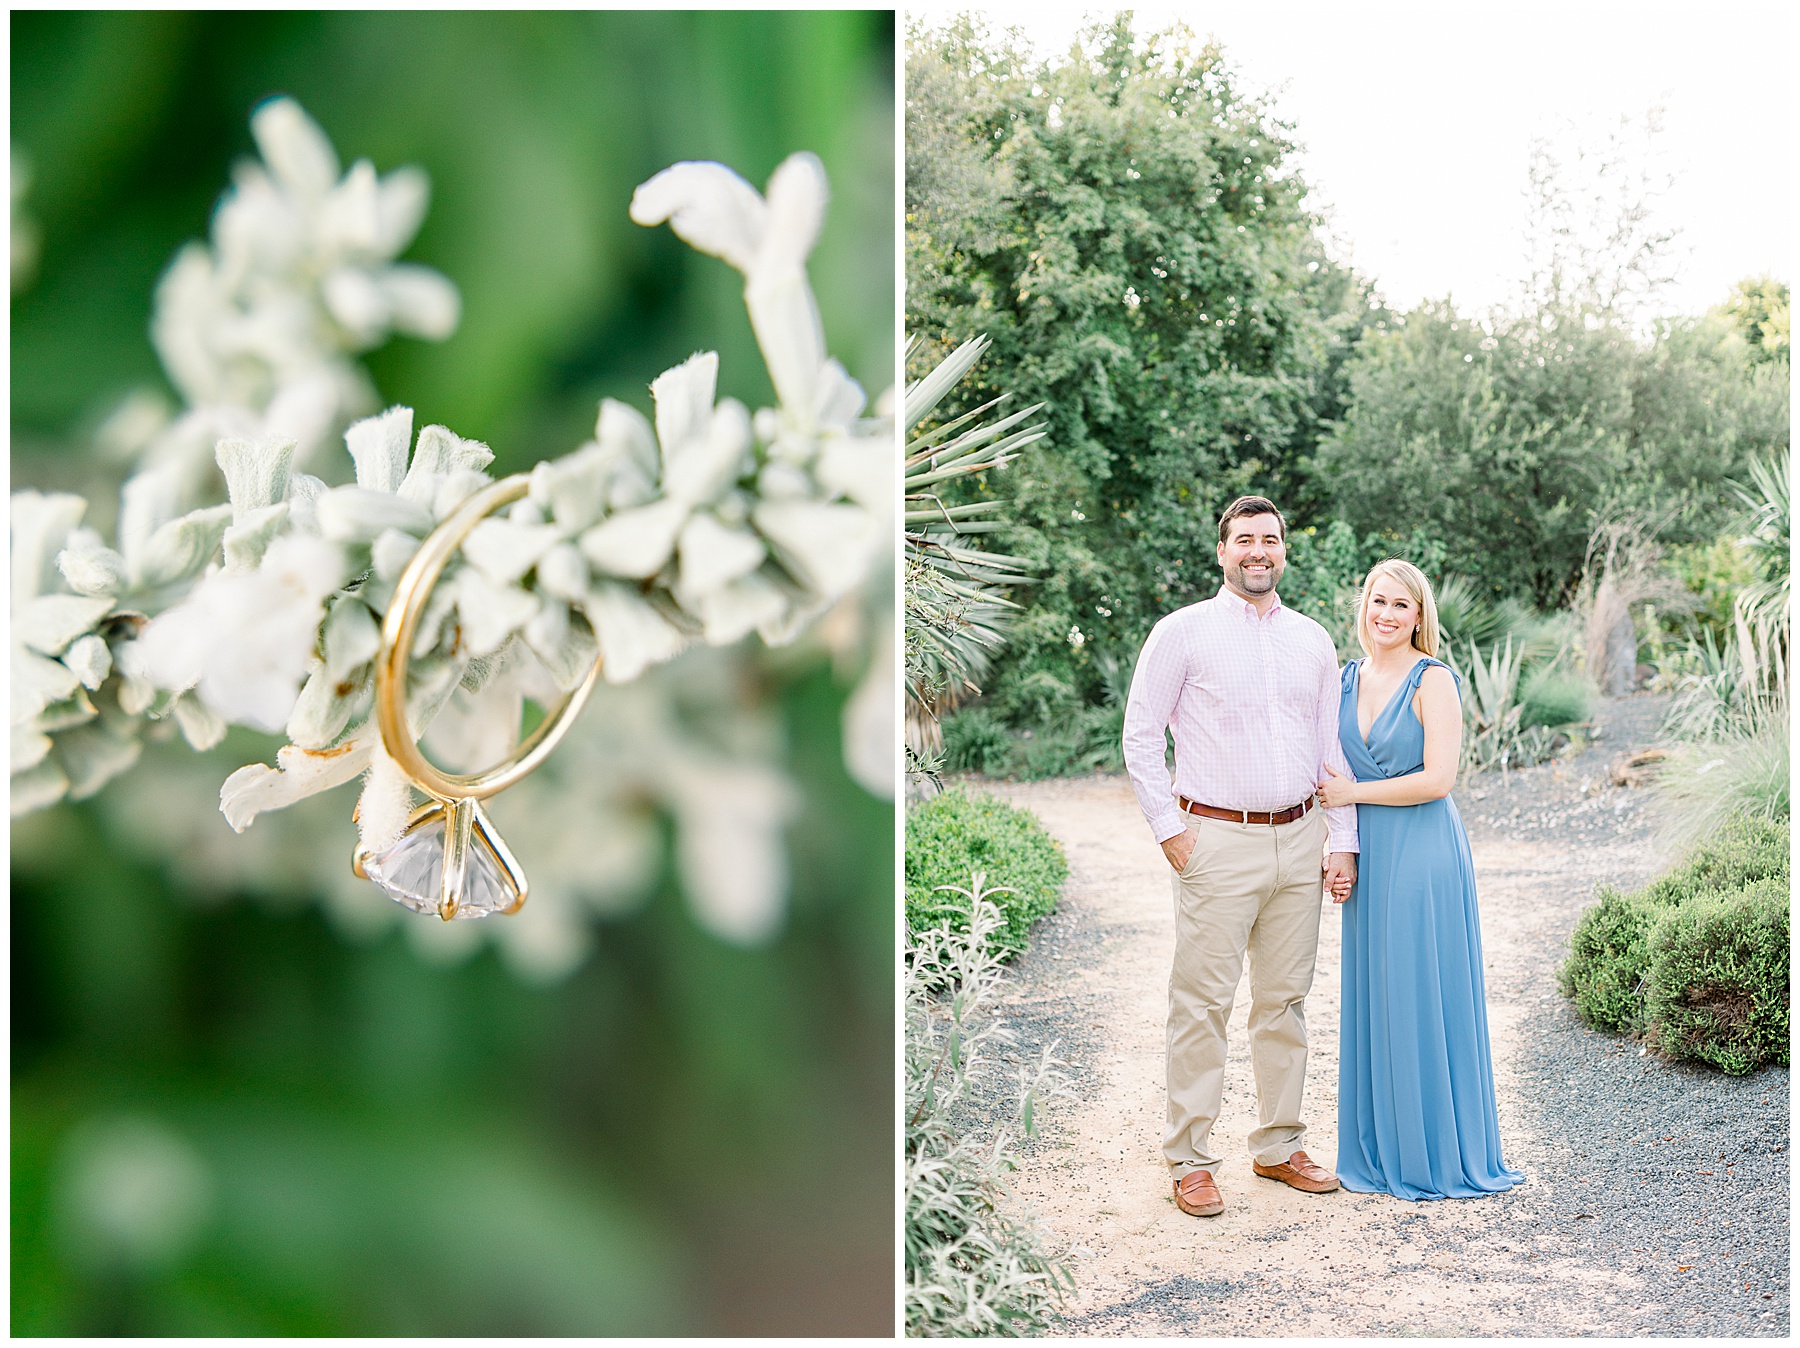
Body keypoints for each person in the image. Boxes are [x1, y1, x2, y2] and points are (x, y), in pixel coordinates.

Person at [1121, 495, 1359, 1219]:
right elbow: (1140, 735)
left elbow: (1329, 747)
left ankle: (1279, 1146)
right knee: (1201, 1004)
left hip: (1300, 838)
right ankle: (1190, 1160)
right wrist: (1170, 829)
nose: (1259, 551)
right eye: (1245, 539)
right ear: (1222, 551)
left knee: (1284, 1001)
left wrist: (1342, 839)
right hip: (1216, 841)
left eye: (1271, 540)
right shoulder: (1182, 632)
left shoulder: (1313, 640)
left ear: (1284, 550)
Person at [1316, 559, 1525, 1200]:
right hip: (1370, 850)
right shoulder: (1344, 679)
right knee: (1377, 993)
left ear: (1418, 616)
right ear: (1364, 606)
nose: (1386, 614)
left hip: (1422, 848)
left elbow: (1438, 779)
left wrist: (1354, 792)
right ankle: (1383, 1147)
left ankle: (1433, 1152)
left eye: (1400, 605)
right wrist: (1341, 846)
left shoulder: (1433, 679)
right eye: (1378, 601)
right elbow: (1326, 766)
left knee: (1418, 988)